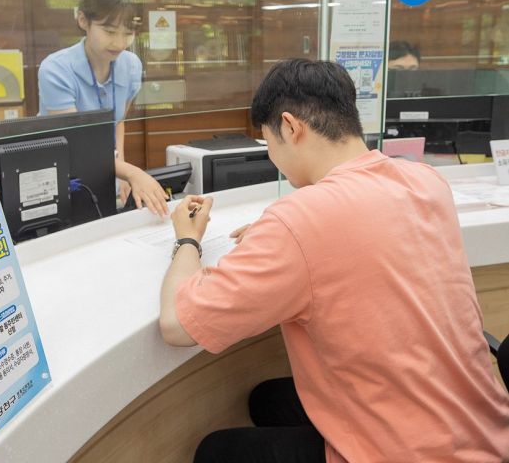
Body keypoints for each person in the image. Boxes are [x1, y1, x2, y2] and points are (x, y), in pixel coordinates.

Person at [159, 59, 509, 462]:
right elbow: (362, 236)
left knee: (216, 451)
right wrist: (287, 237)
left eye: (268, 141)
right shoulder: (426, 181)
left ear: (290, 127)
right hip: (482, 429)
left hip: (408, 453)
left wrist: (187, 238)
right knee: (267, 401)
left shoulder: (301, 221)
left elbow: (177, 324)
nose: (272, 154)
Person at [37, 0, 169, 216]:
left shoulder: (131, 65)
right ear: (83, 20)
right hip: (56, 177)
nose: (119, 43)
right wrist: (130, 172)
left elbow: (118, 122)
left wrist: (121, 175)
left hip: (104, 169)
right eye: (109, 31)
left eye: (128, 33)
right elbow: (77, 143)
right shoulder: (55, 69)